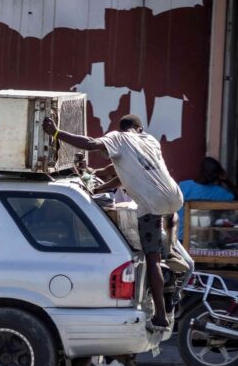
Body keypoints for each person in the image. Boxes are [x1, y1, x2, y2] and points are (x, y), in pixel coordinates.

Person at [43, 114, 183, 331]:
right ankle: (171, 251)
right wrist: (98, 189)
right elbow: (125, 177)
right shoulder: (150, 140)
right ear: (140, 127)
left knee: (151, 258)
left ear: (122, 127)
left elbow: (90, 144)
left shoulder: (118, 137)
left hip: (152, 204)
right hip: (175, 197)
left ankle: (161, 316)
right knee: (165, 231)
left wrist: (57, 133)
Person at [177, 157, 238, 240]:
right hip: (180, 237)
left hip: (203, 238)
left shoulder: (218, 191)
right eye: (212, 171)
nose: (214, 175)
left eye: (216, 172)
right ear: (202, 170)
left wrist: (226, 181)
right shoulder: (184, 186)